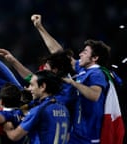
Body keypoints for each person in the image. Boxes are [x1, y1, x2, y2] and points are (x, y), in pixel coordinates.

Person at [32, 14, 111, 143]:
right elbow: (59, 53)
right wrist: (40, 27)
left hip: (89, 136)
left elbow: (95, 95)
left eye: (85, 52)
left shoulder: (97, 74)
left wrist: (73, 83)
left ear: (95, 58)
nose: (80, 54)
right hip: (77, 133)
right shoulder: (83, 70)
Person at [3, 70, 70, 144]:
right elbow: (67, 136)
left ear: (42, 87)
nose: (29, 89)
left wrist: (8, 128)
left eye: (32, 85)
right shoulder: (64, 109)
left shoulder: (39, 110)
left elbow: (15, 136)